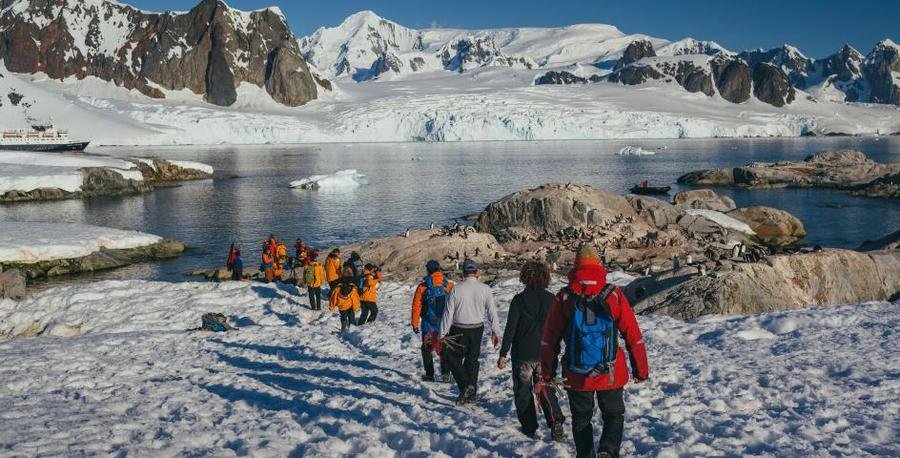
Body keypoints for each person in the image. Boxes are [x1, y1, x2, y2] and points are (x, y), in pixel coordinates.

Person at [540, 246, 649, 458]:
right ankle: (608, 450)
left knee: (581, 420)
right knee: (614, 415)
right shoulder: (613, 294)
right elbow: (633, 336)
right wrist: (640, 370)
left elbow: (549, 340)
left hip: (576, 372)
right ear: (599, 264)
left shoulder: (564, 297)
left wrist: (547, 373)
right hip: (610, 372)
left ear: (575, 266)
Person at [498, 261, 566, 441]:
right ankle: (555, 421)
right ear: (545, 277)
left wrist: (503, 353)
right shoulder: (552, 299)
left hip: (523, 354)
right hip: (546, 353)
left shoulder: (519, 300)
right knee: (545, 388)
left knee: (522, 391)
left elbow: (510, 329)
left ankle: (529, 426)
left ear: (525, 277)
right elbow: (560, 328)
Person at [440, 259, 501, 405]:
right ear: (477, 272)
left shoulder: (456, 288)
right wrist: (496, 331)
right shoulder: (485, 288)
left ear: (463, 272)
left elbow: (448, 313)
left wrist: (442, 333)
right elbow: (492, 311)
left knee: (452, 359)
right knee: (472, 361)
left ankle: (465, 386)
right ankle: (471, 393)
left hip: (458, 329)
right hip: (477, 328)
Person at [411, 260, 454, 383]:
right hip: (445, 324)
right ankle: (446, 374)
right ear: (439, 269)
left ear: (428, 270)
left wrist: (414, 323)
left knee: (426, 349)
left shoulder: (423, 287)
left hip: (427, 324)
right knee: (444, 348)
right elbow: (455, 304)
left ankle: (430, 375)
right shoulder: (448, 285)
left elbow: (416, 306)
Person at [329, 266, 361, 333]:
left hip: (341, 303)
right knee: (351, 316)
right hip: (350, 302)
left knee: (343, 316)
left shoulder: (338, 281)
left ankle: (343, 328)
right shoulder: (354, 280)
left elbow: (333, 290)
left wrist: (331, 305)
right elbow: (357, 292)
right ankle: (352, 329)